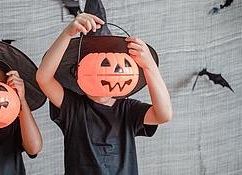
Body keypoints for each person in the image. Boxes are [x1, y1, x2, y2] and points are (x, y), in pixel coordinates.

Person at [36, 12, 173, 175]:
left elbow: (164, 115)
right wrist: (67, 34)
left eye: (113, 67)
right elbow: (43, 78)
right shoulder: (72, 106)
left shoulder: (129, 110)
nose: (104, 73)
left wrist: (150, 66)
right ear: (77, 73)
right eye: (97, 65)